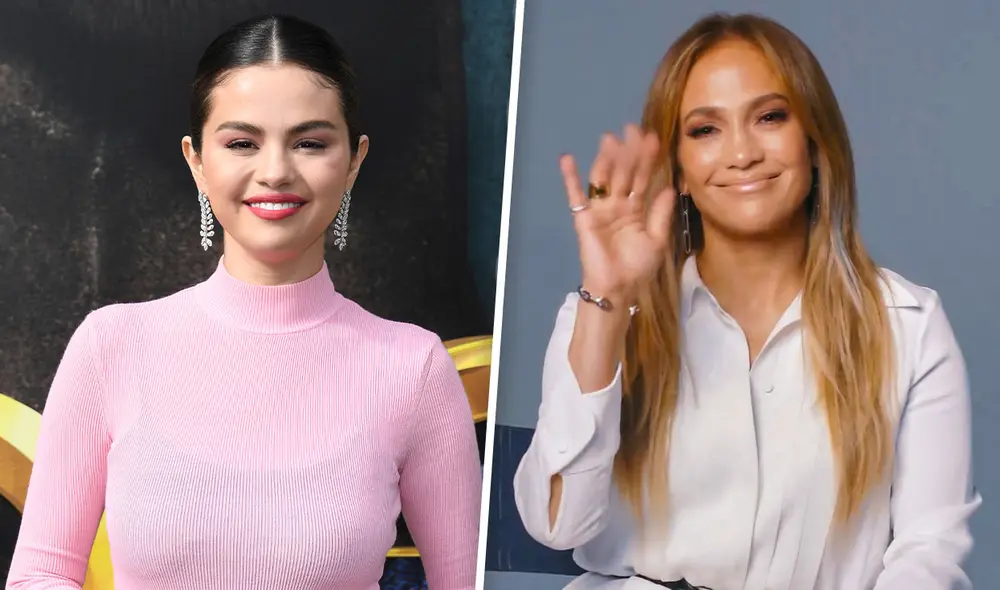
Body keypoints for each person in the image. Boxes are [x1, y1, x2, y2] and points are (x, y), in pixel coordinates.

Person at [8, 14, 481, 590]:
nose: (276, 172)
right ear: (197, 160)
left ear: (354, 161)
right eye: (241, 143)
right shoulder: (114, 345)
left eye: (310, 142)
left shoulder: (413, 366)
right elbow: (42, 573)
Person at [513, 12, 979, 590]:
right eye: (705, 130)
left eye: (769, 117)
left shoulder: (908, 326)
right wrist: (606, 302)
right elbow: (557, 525)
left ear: (813, 142)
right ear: (678, 170)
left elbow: (928, 555)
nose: (741, 153)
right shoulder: (601, 311)